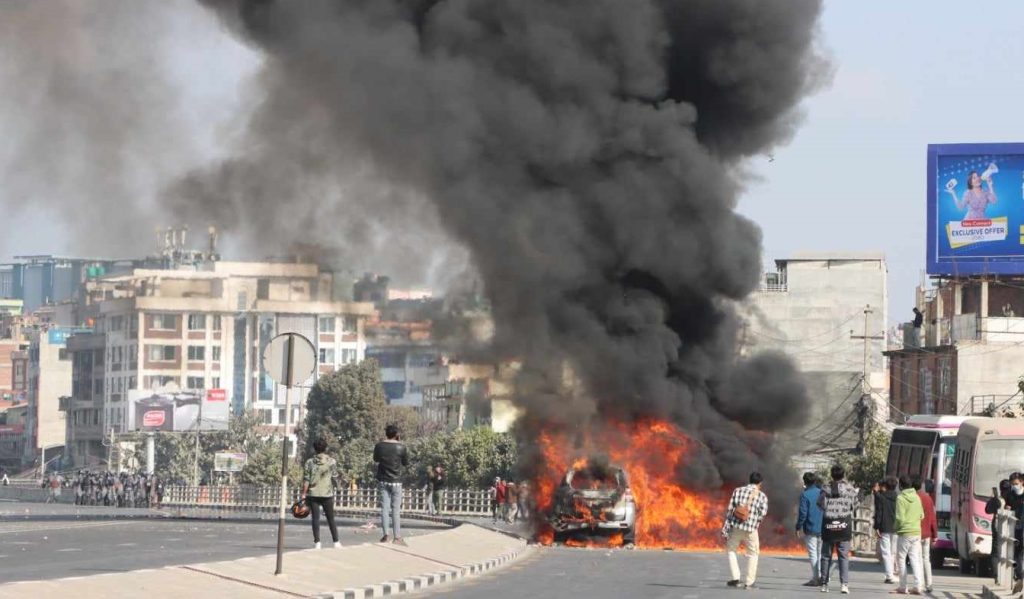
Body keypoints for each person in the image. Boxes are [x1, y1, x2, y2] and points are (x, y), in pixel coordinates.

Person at [721, 472, 768, 590]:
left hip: (736, 526)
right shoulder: (762, 496)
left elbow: (730, 510)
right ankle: (749, 583)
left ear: (749, 480)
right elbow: (762, 514)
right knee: (753, 554)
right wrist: (755, 522)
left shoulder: (737, 491)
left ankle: (735, 577)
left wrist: (727, 526)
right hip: (751, 529)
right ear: (760, 483)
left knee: (731, 550)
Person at [818, 465, 858, 594]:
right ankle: (844, 585)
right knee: (843, 556)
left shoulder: (825, 489)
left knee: (825, 556)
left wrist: (829, 510)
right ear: (843, 474)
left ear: (831, 475)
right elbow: (855, 505)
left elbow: (820, 503)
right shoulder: (850, 489)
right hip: (844, 525)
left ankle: (824, 584)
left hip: (828, 525)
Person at [373, 424, 409, 546]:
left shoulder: (379, 446)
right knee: (395, 510)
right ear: (397, 435)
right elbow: (405, 463)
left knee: (384, 508)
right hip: (397, 481)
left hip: (383, 480)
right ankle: (397, 537)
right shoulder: (401, 447)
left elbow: (376, 459)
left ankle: (385, 535)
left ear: (386, 434)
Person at [302, 437, 341, 549]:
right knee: (330, 518)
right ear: (325, 448)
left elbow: (306, 479)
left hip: (313, 494)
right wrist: (337, 486)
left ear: (314, 449)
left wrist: (304, 493)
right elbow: (334, 476)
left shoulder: (309, 462)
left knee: (315, 519)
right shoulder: (331, 461)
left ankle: (317, 543)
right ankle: (336, 542)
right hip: (327, 493)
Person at [894, 474, 925, 595]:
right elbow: (922, 515)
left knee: (901, 559)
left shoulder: (901, 498)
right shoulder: (917, 497)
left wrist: (895, 528)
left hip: (904, 533)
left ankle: (903, 586)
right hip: (916, 532)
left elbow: (899, 518)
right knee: (915, 560)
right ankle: (918, 586)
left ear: (900, 485)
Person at [795, 472, 824, 587]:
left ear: (805, 482)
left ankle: (816, 579)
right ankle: (822, 576)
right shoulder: (822, 493)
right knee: (820, 553)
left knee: (813, 554)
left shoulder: (805, 495)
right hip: (822, 528)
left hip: (810, 528)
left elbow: (803, 514)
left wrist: (798, 527)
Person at [986, 479, 1012, 582]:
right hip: (1004, 527)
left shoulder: (1000, 499)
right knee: (1003, 551)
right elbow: (988, 510)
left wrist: (992, 500)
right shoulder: (1007, 499)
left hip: (998, 526)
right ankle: (1000, 574)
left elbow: (987, 510)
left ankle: (998, 575)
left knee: (996, 551)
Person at [875, 476, 899, 583]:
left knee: (886, 552)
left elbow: (879, 513)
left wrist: (876, 527)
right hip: (896, 528)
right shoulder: (899, 497)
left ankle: (889, 576)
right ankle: (891, 573)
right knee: (893, 552)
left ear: (885, 486)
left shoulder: (882, 497)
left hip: (884, 527)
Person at [917, 478, 938, 593]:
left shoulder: (915, 498)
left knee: (918, 559)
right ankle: (929, 584)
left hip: (916, 533)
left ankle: (919, 584)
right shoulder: (928, 499)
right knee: (926, 559)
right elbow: (932, 519)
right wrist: (935, 535)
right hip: (927, 534)